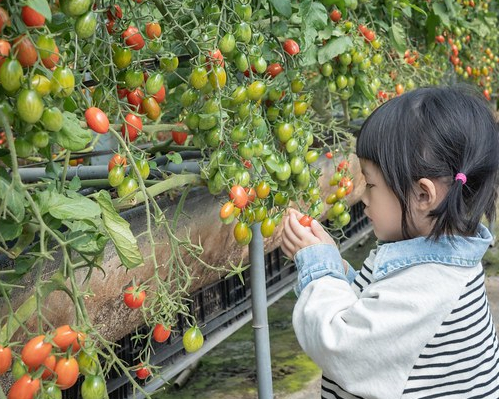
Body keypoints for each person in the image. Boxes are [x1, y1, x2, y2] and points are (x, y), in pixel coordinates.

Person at [281, 86, 499, 399]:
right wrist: (341, 274)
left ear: (423, 195)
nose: (363, 198)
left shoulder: (429, 284)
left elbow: (341, 346)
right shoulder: (445, 261)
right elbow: (381, 311)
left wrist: (319, 272)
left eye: (371, 184)